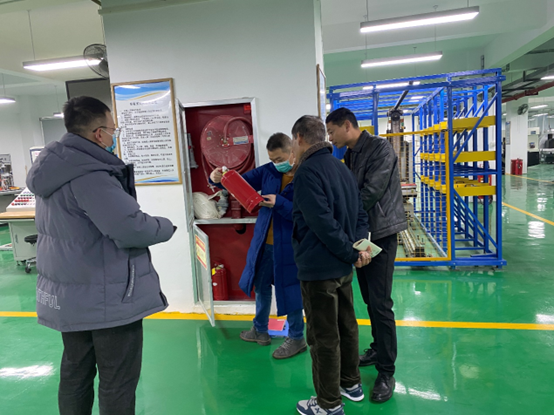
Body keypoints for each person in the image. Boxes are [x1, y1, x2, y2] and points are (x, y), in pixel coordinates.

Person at [26, 96, 176, 415]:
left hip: (72, 295)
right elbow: (130, 228)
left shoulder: (55, 169)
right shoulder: (90, 175)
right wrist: (166, 226)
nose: (113, 136)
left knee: (75, 373)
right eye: (112, 129)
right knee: (117, 381)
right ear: (99, 133)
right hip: (107, 297)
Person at [290, 115, 371, 415]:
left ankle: (328, 404)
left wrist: (350, 253)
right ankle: (351, 383)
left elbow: (322, 223)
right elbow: (360, 214)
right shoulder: (341, 168)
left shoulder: (307, 172)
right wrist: (358, 249)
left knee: (323, 337)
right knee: (347, 327)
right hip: (342, 269)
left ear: (299, 138)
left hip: (319, 270)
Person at [326, 107, 408, 403]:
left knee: (381, 302)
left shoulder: (380, 149)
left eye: (332, 131)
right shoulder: (350, 154)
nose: (330, 138)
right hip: (363, 235)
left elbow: (370, 192)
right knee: (369, 299)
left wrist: (338, 217)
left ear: (347, 126)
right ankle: (377, 348)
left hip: (381, 234)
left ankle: (386, 372)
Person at [210, 133, 307, 359]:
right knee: (261, 286)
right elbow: (236, 183)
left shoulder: (306, 175)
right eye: (272, 159)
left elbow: (305, 214)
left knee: (291, 290)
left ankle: (296, 337)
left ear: (292, 152)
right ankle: (260, 330)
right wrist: (216, 178)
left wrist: (279, 203)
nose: (277, 164)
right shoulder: (267, 172)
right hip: (264, 242)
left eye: (280, 159)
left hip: (291, 245)